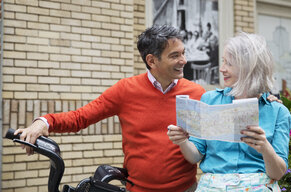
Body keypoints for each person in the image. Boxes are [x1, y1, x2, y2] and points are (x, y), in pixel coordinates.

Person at [14, 25, 206, 192]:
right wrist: (44, 122)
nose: (184, 60)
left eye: (183, 53)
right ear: (152, 61)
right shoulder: (125, 90)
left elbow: (213, 138)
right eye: (175, 55)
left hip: (187, 190)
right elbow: (81, 117)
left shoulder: (196, 93)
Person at [167, 32, 291, 191]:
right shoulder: (209, 100)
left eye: (229, 64)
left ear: (249, 67)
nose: (222, 69)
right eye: (223, 62)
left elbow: (278, 173)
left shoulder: (278, 111)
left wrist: (265, 147)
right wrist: (182, 141)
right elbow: (194, 156)